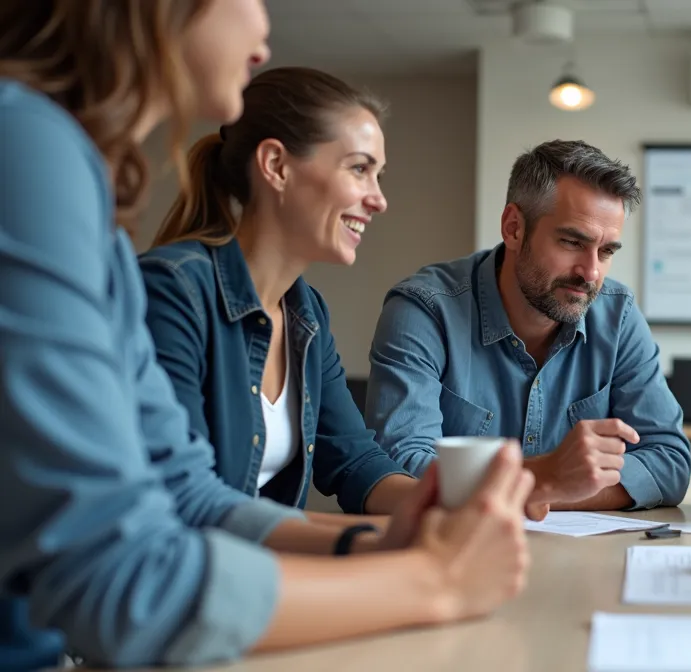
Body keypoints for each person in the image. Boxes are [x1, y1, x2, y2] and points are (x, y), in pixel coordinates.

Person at [0, 1, 532, 668]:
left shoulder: (83, 198)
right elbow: (120, 575)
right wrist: (434, 580)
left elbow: (189, 492)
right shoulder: (28, 151)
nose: (263, 21)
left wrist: (380, 543)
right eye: (360, 169)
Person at [139, 66, 416, 523]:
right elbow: (183, 500)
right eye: (360, 169)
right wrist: (357, 540)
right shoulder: (171, 291)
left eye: (378, 175)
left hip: (251, 573)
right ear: (276, 166)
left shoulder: (306, 313)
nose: (379, 199)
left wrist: (451, 506)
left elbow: (355, 461)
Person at [367, 139, 691, 512]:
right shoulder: (425, 311)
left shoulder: (617, 315)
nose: (591, 273)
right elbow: (399, 467)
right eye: (572, 242)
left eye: (606, 252)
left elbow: (669, 463)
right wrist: (549, 480)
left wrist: (544, 493)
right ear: (514, 228)